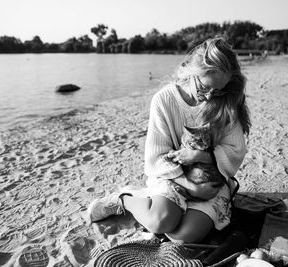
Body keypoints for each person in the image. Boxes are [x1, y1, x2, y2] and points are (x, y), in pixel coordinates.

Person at [87, 37, 251, 243]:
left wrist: (201, 157)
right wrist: (189, 186)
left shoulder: (225, 102)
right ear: (192, 72)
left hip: (212, 180)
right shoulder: (164, 100)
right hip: (172, 177)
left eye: (218, 90)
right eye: (204, 88)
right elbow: (156, 157)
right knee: (160, 223)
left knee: (182, 236)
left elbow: (236, 150)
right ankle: (124, 200)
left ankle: (154, 205)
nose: (209, 97)